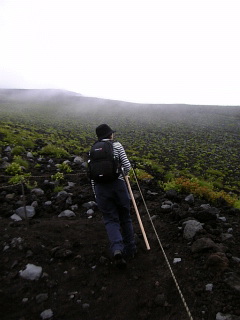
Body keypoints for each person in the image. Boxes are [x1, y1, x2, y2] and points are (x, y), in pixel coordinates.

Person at [90, 124, 136, 268]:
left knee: (110, 219)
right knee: (125, 216)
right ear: (110, 135)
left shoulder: (93, 149)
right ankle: (131, 249)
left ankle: (117, 248)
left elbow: (91, 174)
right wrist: (121, 172)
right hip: (118, 186)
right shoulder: (117, 145)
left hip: (100, 189)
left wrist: (96, 193)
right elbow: (127, 166)